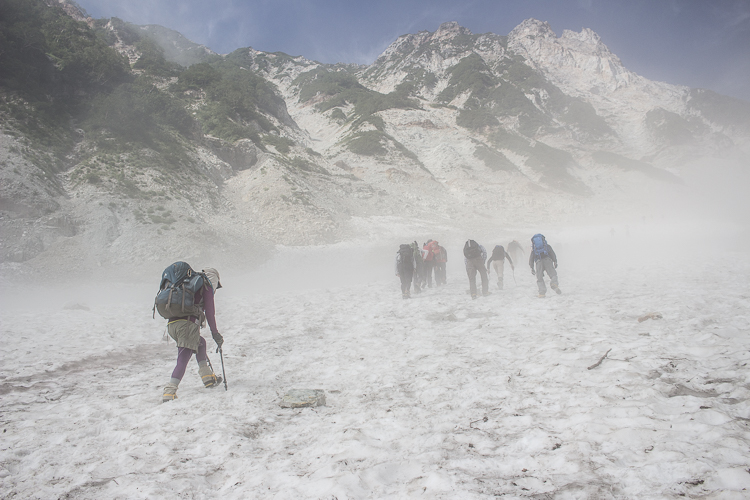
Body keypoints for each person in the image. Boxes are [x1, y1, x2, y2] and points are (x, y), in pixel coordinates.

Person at [163, 267, 224, 402]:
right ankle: (169, 392)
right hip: (187, 326)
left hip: (172, 325)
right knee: (183, 358)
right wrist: (215, 333)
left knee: (200, 343)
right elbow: (209, 312)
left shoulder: (188, 284)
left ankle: (207, 377)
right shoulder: (206, 286)